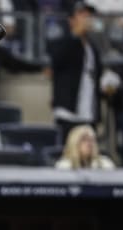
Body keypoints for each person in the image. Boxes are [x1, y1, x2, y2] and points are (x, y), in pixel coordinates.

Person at [47, 1, 103, 140]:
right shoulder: (61, 39)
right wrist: (75, 34)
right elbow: (57, 60)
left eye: (89, 15)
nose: (87, 18)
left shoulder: (92, 47)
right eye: (82, 14)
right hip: (68, 112)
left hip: (88, 112)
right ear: (71, 20)